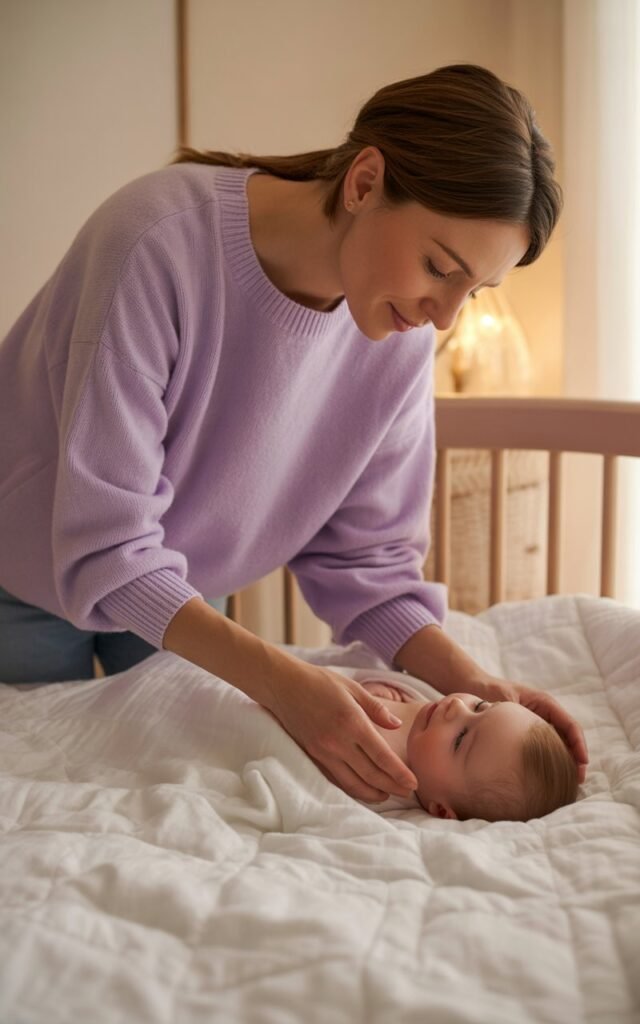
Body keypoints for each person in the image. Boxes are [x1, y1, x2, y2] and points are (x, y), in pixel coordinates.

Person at [0, 63, 588, 804]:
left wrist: (472, 682)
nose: (445, 317)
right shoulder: (154, 243)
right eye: (440, 267)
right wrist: (289, 685)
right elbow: (104, 548)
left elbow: (366, 561)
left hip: (173, 596)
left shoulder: (399, 333)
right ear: (365, 182)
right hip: (17, 577)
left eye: (474, 291)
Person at [355, 678, 579, 820]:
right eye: (479, 706)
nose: (457, 706)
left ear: (442, 811)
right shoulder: (428, 709)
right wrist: (383, 689)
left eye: (460, 739)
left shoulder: (380, 788)